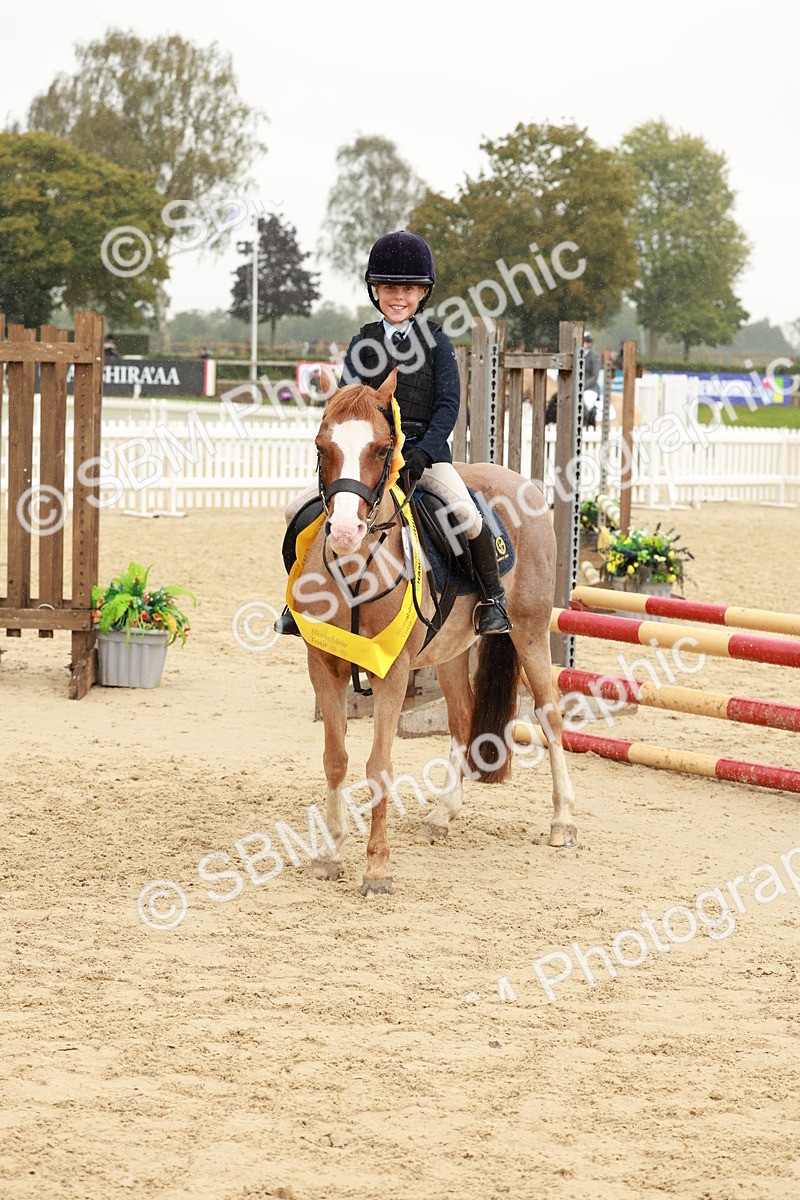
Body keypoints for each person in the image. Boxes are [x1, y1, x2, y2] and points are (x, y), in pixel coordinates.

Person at [274, 230, 511, 637]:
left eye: (407, 289)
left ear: (422, 294)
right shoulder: (362, 343)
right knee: (298, 513)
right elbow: (346, 405)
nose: (397, 297)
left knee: (465, 513)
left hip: (424, 457)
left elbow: (447, 407)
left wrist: (423, 452)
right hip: (369, 461)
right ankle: (298, 601)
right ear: (375, 292)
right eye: (388, 288)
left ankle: (492, 599)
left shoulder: (436, 342)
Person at [583, 332, 601, 429]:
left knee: (587, 403)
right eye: (585, 341)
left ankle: (589, 425)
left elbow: (595, 376)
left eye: (588, 342)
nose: (586, 344)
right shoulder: (578, 355)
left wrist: (583, 386)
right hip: (579, 387)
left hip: (590, 388)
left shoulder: (594, 357)